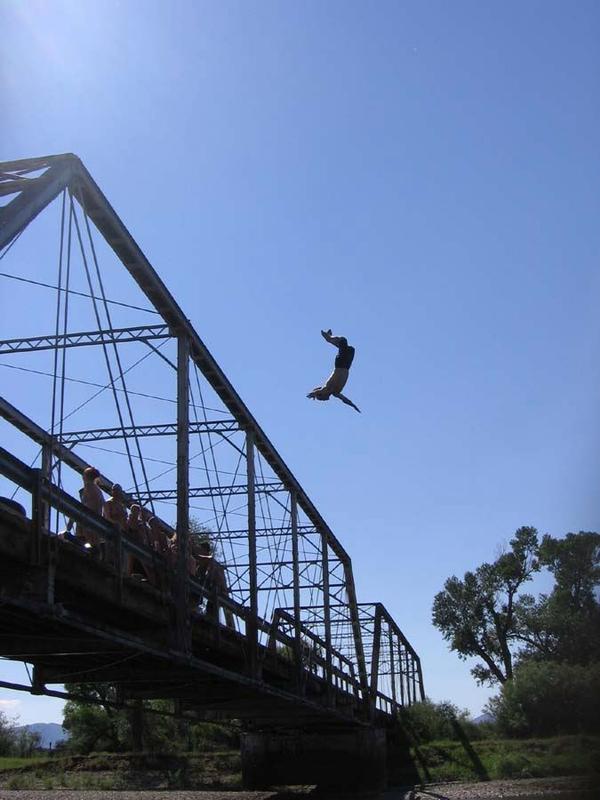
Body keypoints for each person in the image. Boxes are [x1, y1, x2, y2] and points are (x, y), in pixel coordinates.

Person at [307, 329, 361, 412]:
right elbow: (344, 400)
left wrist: (312, 394)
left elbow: (316, 392)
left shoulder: (326, 389)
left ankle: (328, 338)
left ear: (322, 395)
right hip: (347, 366)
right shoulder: (335, 393)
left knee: (343, 340)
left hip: (340, 364)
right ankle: (329, 338)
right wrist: (353, 405)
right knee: (350, 349)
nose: (326, 399)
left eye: (323, 398)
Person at [194, 539, 235, 629]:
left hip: (217, 592)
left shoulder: (212, 563)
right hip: (209, 592)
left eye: (201, 550)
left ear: (205, 550)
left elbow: (210, 577)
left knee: (212, 610)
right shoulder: (201, 565)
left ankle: (212, 626)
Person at [64, 466, 105, 550]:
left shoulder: (89, 487)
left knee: (82, 544)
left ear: (86, 477)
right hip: (94, 522)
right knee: (93, 546)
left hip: (87, 522)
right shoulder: (97, 490)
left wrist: (71, 521)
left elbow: (85, 506)